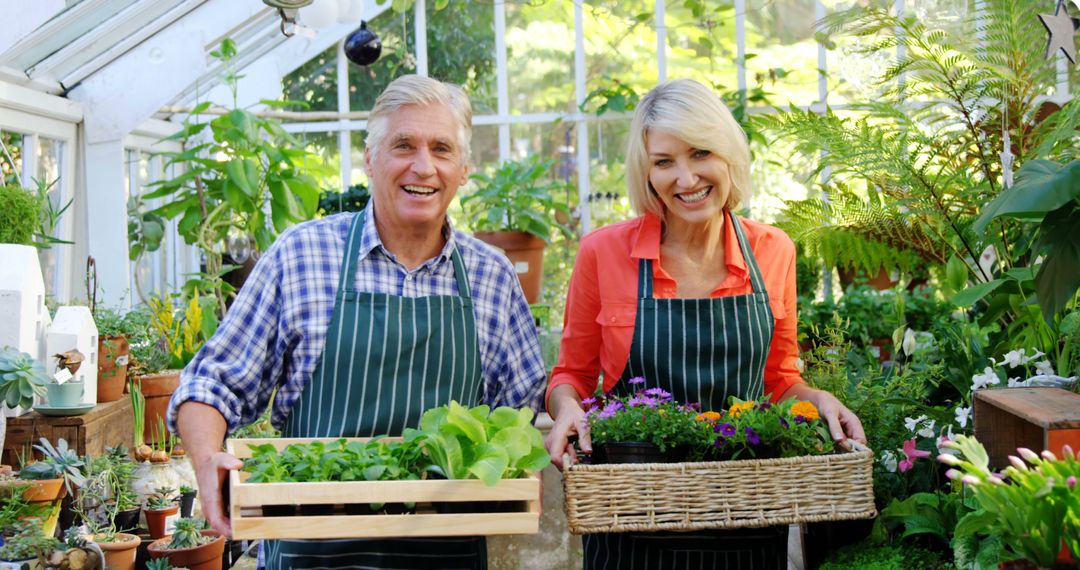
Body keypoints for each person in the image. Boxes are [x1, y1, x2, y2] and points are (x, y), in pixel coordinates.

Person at [168, 74, 548, 570]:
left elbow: (521, 415)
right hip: (309, 550)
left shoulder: (490, 275)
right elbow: (210, 384)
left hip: (445, 553)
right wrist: (206, 460)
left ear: (464, 169)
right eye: (403, 145)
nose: (424, 166)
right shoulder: (302, 255)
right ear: (369, 159)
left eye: (442, 149)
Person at [544, 78, 867, 570]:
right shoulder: (603, 253)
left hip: (745, 512)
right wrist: (566, 408)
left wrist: (820, 400)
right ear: (646, 171)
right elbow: (573, 376)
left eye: (700, 153)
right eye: (664, 162)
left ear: (728, 154)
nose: (686, 178)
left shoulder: (772, 250)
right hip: (632, 515)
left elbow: (780, 381)